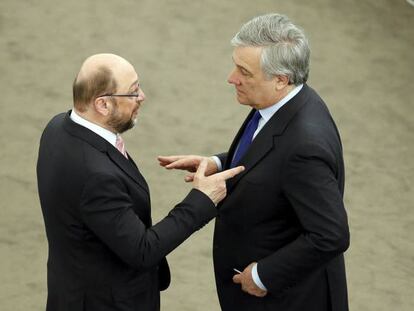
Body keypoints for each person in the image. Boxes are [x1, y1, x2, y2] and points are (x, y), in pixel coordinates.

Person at [158, 13, 350, 311]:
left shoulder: (306, 146)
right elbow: (268, 158)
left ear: (280, 80)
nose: (231, 78)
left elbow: (331, 235)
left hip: (286, 299)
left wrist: (262, 277)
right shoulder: (280, 103)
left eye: (244, 72)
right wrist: (219, 163)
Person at [36, 53, 244, 311]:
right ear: (102, 105)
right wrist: (201, 199)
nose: (142, 97)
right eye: (133, 92)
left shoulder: (58, 127)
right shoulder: (97, 177)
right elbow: (142, 250)